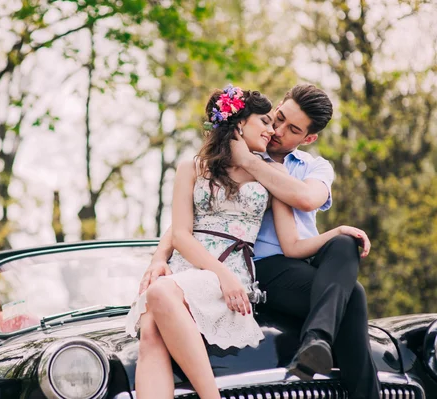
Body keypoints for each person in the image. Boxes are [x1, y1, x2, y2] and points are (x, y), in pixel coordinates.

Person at [126, 84, 373, 399]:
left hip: (267, 267)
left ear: (308, 138)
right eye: (273, 119)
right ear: (241, 122)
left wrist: (337, 232)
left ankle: (318, 345)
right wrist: (158, 258)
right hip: (223, 265)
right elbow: (184, 226)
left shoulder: (284, 173)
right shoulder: (195, 166)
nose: (275, 130)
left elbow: (299, 222)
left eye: (289, 128)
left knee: (349, 272)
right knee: (150, 331)